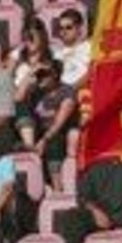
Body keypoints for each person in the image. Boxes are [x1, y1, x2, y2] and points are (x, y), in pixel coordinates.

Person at [17, 58, 78, 194]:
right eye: (38, 75)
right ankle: (29, 146)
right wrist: (29, 74)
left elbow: (59, 123)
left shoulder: (67, 92)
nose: (40, 77)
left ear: (55, 75)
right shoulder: (36, 91)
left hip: (59, 133)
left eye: (44, 74)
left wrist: (44, 140)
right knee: (19, 107)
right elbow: (17, 99)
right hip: (37, 132)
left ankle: (57, 188)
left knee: (53, 141)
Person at [52, 8, 91, 89]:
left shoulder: (89, 47)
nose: (64, 32)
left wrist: (72, 89)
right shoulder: (56, 53)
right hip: (60, 91)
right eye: (61, 28)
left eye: (68, 27)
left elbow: (92, 73)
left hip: (81, 91)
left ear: (79, 28)